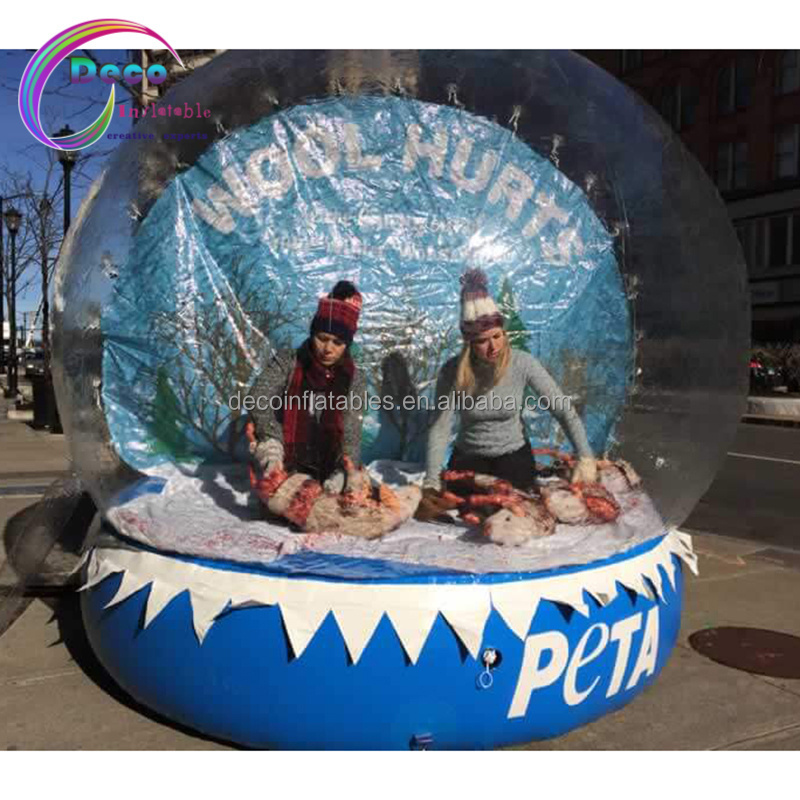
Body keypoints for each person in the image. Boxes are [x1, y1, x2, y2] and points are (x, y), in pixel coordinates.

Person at [416, 268, 597, 521]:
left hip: (513, 457)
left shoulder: (523, 364)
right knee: (473, 510)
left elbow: (562, 409)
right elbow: (441, 427)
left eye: (497, 336)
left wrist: (586, 457)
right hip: (470, 458)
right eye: (482, 341)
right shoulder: (452, 371)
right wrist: (432, 481)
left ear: (504, 333)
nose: (493, 347)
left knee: (513, 509)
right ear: (469, 342)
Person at [249, 280, 367, 493]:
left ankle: (332, 486)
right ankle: (276, 479)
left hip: (329, 457)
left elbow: (351, 429)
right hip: (285, 447)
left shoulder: (354, 378)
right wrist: (275, 437)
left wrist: (347, 465)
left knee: (346, 485)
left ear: (347, 345)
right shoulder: (289, 361)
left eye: (337, 343)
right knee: (267, 447)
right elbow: (258, 398)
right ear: (312, 334)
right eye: (322, 339)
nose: (327, 349)